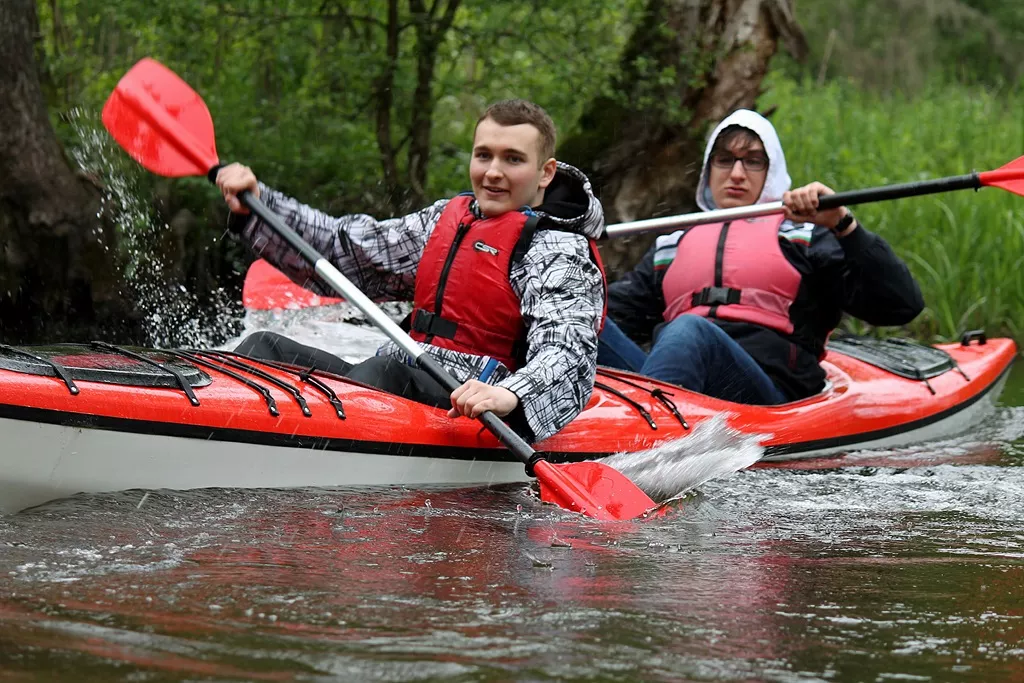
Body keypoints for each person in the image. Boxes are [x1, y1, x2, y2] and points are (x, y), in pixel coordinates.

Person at [215, 100, 606, 442]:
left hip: (476, 403)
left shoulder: (559, 249)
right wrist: (261, 203)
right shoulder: (444, 218)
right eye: (483, 155)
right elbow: (347, 250)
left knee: (384, 371)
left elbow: (567, 350)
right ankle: (217, 427)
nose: (492, 172)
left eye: (513, 159)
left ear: (546, 172)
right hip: (402, 376)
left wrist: (512, 394)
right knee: (265, 346)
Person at [597, 109, 924, 404]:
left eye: (753, 161)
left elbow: (901, 305)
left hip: (766, 393)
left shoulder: (806, 236)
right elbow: (611, 315)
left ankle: (639, 440)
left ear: (772, 170)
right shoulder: (672, 245)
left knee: (688, 330)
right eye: (725, 160)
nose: (737, 173)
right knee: (582, 318)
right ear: (708, 170)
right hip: (676, 389)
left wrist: (843, 224)